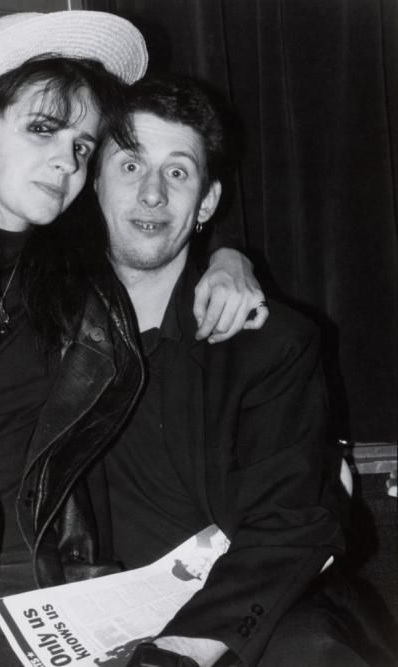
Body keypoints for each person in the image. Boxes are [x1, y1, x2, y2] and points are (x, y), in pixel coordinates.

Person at [0, 10, 268, 667]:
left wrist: (228, 257)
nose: (65, 160)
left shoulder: (77, 281)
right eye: (42, 128)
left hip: (51, 579)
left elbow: (159, 231)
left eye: (83, 146)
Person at [87, 74, 396, 667]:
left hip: (248, 620)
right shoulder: (47, 329)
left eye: (177, 172)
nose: (152, 193)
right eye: (129, 165)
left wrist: (181, 649)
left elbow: (291, 523)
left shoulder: (272, 344)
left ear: (206, 202)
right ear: (94, 183)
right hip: (90, 616)